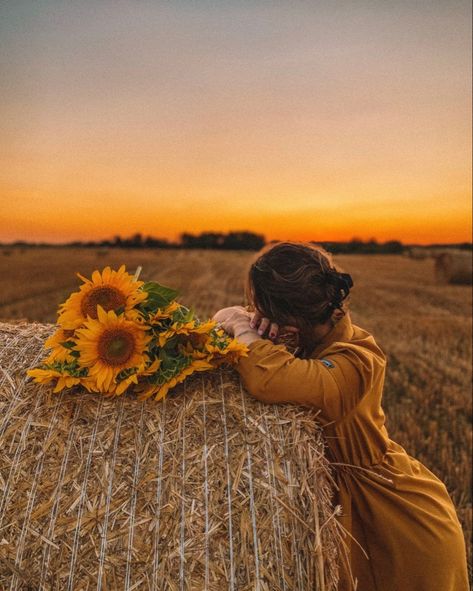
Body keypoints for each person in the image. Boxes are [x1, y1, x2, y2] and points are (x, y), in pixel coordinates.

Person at [212, 240, 469, 591]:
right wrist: (238, 323)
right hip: (336, 514)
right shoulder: (299, 343)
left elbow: (273, 380)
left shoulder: (358, 358)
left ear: (290, 324)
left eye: (259, 309)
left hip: (394, 529)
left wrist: (243, 331)